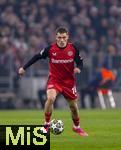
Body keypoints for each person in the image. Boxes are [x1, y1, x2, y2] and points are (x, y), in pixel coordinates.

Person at [18, 26, 88, 136]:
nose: (61, 40)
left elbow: (80, 61)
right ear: (56, 37)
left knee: (73, 106)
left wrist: (78, 68)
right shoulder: (50, 49)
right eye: (59, 37)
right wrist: (24, 68)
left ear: (67, 37)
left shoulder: (73, 49)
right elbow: (36, 57)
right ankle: (46, 125)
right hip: (54, 80)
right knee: (50, 98)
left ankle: (77, 127)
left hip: (69, 82)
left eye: (64, 37)